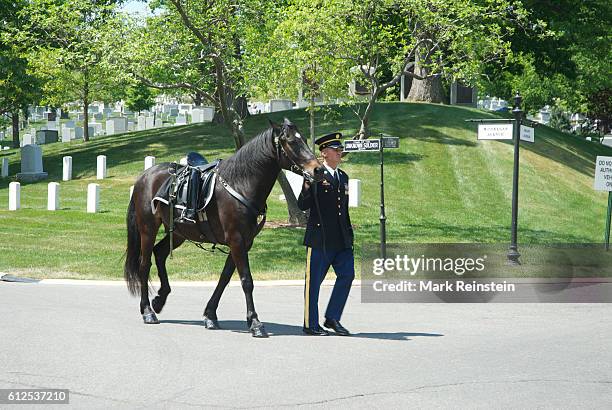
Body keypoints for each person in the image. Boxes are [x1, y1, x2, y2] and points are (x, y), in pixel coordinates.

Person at [297, 132, 354, 336]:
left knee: (348, 275)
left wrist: (349, 236)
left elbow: (343, 210)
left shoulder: (343, 176)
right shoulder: (316, 175)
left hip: (341, 239)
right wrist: (307, 184)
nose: (340, 153)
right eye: (336, 150)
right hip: (320, 239)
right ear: (324, 153)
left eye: (340, 150)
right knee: (313, 284)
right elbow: (302, 205)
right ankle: (310, 324)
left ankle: (332, 318)